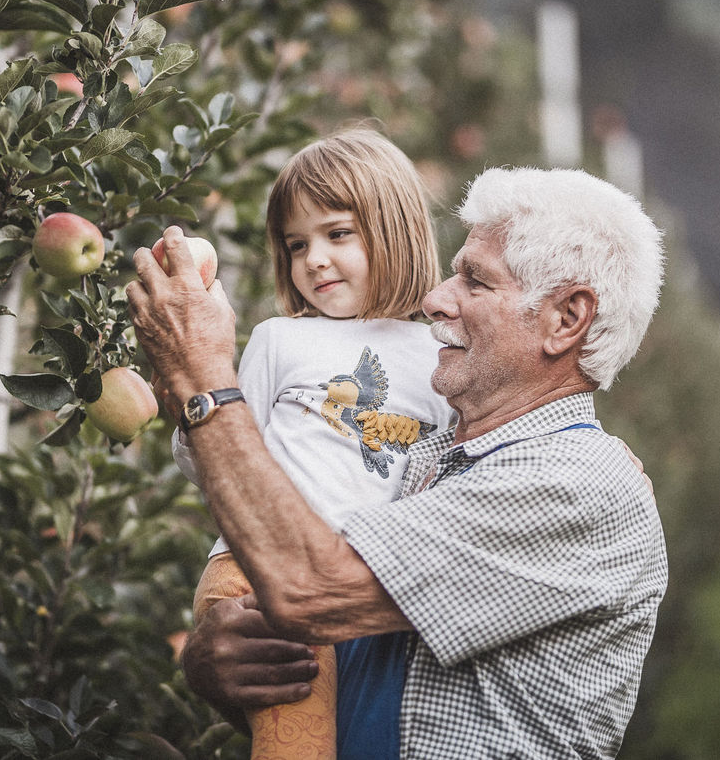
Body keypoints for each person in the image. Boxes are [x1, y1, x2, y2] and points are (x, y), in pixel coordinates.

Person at [127, 165, 667, 758]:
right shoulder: (424, 462)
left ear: (566, 319)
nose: (435, 297)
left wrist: (202, 375)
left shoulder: (577, 483)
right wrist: (223, 670)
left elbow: (308, 588)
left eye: (475, 282)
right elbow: (333, 687)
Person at [168, 129, 456, 759]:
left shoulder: (443, 357)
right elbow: (211, 454)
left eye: (337, 234)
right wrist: (189, 394)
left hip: (353, 590)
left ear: (396, 228)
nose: (314, 260)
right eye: (296, 245)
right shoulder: (281, 340)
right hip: (258, 575)